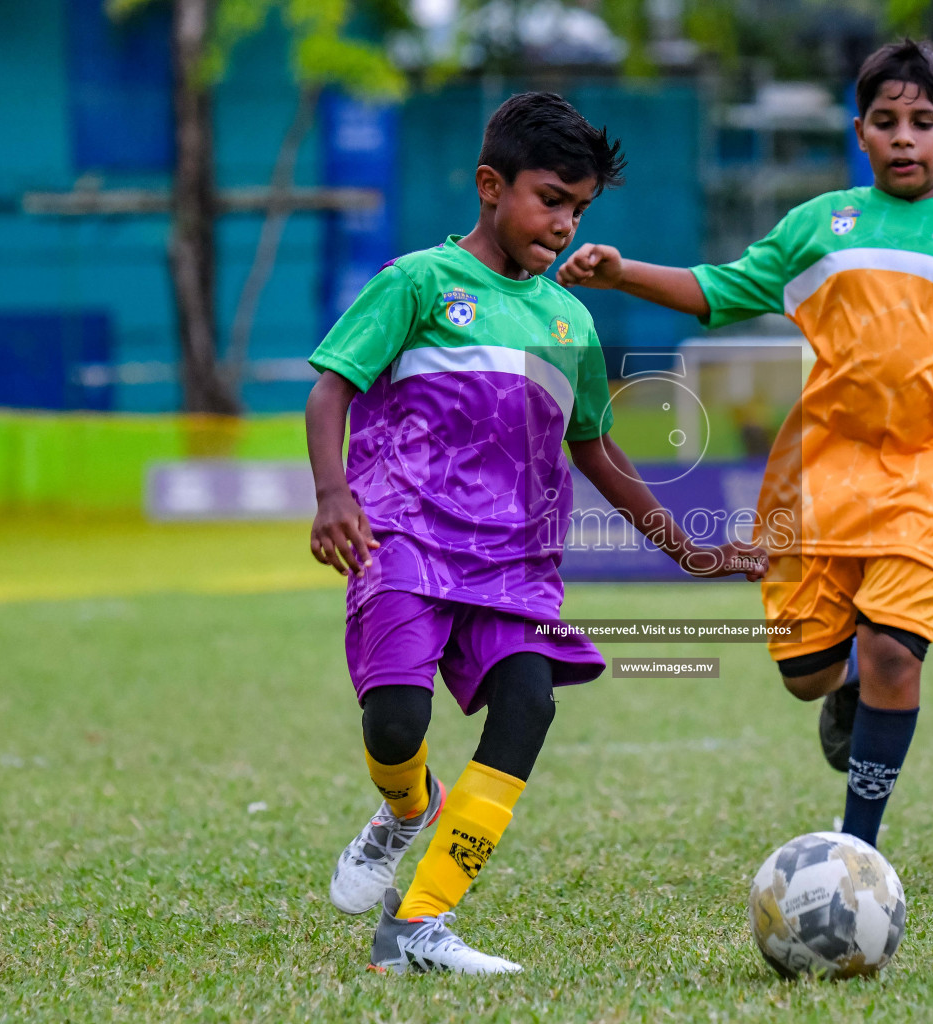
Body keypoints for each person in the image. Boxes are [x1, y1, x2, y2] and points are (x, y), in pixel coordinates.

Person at [558, 40, 933, 850]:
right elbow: (721, 288)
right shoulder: (821, 226)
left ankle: (857, 849)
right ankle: (843, 680)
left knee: (894, 650)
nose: (903, 136)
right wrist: (621, 274)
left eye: (923, 122)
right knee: (805, 675)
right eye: (886, 121)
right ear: (861, 131)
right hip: (823, 477)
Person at [305, 91, 764, 976]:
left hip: (514, 560)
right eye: (551, 198)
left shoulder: (571, 323)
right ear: (491, 185)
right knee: (397, 721)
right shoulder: (419, 284)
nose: (564, 223)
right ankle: (405, 810)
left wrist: (689, 549)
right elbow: (331, 386)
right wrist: (333, 495)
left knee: (530, 703)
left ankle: (418, 929)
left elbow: (594, 447)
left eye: (579, 208)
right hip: (402, 535)